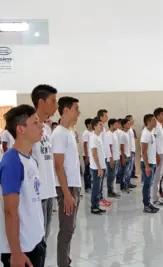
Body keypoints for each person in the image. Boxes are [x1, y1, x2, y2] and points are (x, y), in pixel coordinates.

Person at [0, 105, 45, 267]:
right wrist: (16, 252)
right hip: (22, 249)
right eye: (35, 122)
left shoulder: (30, 159)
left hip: (35, 241)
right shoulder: (12, 161)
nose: (41, 126)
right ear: (21, 129)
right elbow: (10, 211)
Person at [52, 96, 81, 267]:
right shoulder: (59, 134)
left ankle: (66, 260)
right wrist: (67, 194)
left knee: (70, 228)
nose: (79, 112)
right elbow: (58, 165)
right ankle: (63, 263)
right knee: (66, 229)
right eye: (76, 108)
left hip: (72, 186)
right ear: (66, 110)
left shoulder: (68, 132)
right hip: (66, 187)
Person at [31, 84, 58, 244]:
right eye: (53, 101)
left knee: (44, 240)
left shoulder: (47, 130)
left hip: (49, 192)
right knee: (36, 242)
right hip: (37, 195)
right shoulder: (28, 128)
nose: (56, 106)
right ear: (41, 102)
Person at [140, 114, 159, 213]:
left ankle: (149, 203)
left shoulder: (151, 133)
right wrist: (147, 166)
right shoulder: (145, 133)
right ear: (148, 121)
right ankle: (146, 205)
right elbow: (143, 151)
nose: (156, 122)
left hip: (152, 162)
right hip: (147, 164)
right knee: (147, 185)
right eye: (154, 120)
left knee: (149, 184)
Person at [89, 117, 107, 215]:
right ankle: (94, 207)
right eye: (100, 124)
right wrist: (99, 168)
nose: (102, 126)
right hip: (96, 168)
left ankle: (97, 205)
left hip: (101, 166)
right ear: (94, 126)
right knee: (96, 188)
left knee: (99, 187)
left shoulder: (98, 137)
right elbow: (94, 154)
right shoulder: (93, 137)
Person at [97, 109, 113, 206]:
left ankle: (102, 198)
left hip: (105, 158)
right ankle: (99, 199)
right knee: (100, 181)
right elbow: (100, 145)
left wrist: (109, 156)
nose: (107, 117)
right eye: (105, 116)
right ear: (101, 117)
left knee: (102, 181)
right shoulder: (99, 128)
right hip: (101, 158)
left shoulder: (103, 128)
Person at [153, 108, 163, 206]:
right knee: (157, 178)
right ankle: (155, 198)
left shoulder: (160, 127)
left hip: (162, 154)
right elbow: (152, 141)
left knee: (159, 177)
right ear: (158, 116)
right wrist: (156, 155)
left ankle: (157, 196)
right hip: (158, 155)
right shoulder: (156, 127)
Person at [106, 119, 121, 198]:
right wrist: (111, 159)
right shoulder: (108, 134)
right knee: (111, 176)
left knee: (113, 175)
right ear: (111, 125)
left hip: (116, 157)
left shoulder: (114, 133)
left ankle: (112, 191)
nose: (117, 126)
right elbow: (109, 147)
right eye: (115, 124)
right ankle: (110, 191)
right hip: (112, 159)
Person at [118, 119, 132, 193]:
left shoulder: (126, 133)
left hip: (128, 155)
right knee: (124, 172)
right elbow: (122, 147)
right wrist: (123, 157)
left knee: (126, 173)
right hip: (124, 156)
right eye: (128, 123)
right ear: (124, 125)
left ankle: (125, 186)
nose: (129, 125)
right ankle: (123, 187)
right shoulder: (123, 134)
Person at [81, 118, 93, 193]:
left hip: (92, 155)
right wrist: (87, 156)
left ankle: (91, 185)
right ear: (88, 124)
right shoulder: (86, 133)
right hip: (87, 155)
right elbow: (85, 145)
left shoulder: (93, 132)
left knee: (91, 171)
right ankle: (87, 187)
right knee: (87, 171)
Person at [126, 115, 138, 180]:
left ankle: (128, 182)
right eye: (132, 119)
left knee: (130, 168)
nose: (133, 120)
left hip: (132, 150)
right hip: (129, 151)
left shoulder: (131, 129)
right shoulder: (127, 130)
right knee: (128, 168)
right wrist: (130, 151)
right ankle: (126, 183)